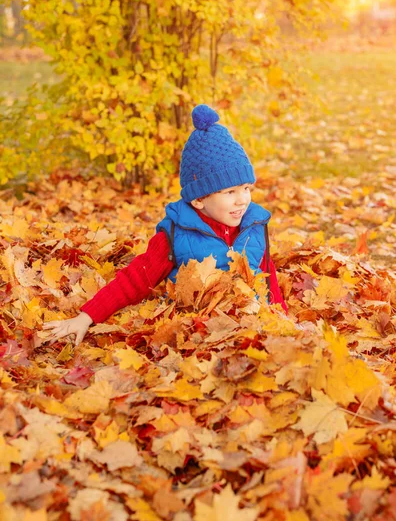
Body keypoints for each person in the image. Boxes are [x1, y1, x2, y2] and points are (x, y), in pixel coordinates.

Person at [43, 104, 287, 346]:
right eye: (230, 191)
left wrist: (282, 320)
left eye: (246, 188)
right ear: (199, 199)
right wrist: (87, 316)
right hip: (199, 336)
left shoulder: (254, 225)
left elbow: (267, 279)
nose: (242, 199)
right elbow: (134, 280)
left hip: (252, 329)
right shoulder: (176, 236)